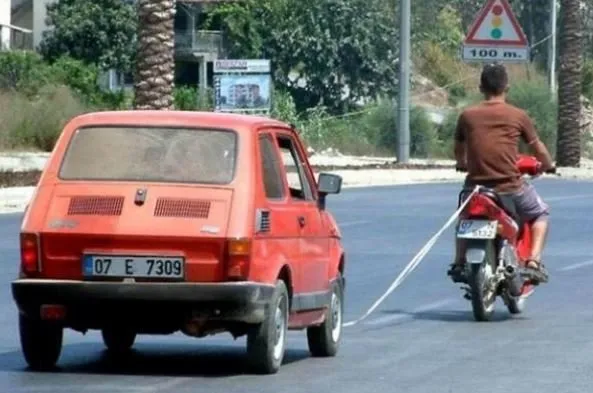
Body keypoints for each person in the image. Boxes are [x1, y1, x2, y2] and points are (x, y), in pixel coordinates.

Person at [448, 63, 554, 283]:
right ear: (507, 87)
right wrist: (548, 164)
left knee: (464, 217)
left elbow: (458, 147)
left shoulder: (467, 115)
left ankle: (459, 261)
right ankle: (533, 262)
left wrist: (462, 163)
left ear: (480, 87)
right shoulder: (518, 115)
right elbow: (537, 147)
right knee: (540, 213)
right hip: (510, 188)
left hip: (475, 188)